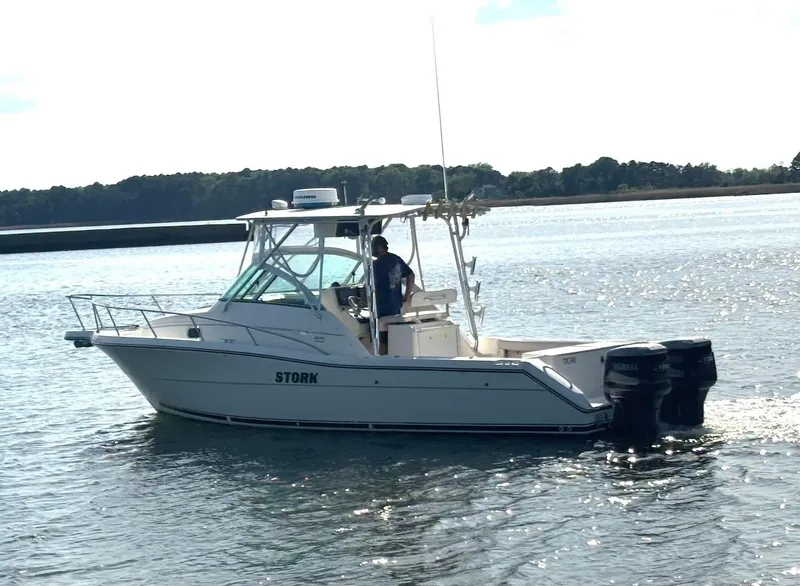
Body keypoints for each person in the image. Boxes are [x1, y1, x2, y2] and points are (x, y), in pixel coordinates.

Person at [371, 235, 415, 355]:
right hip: (396, 308)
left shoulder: (376, 265)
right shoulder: (396, 259)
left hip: (382, 309)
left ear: (377, 248)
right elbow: (411, 275)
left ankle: (382, 360)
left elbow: (370, 287)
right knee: (394, 338)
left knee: (382, 340)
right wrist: (406, 297)